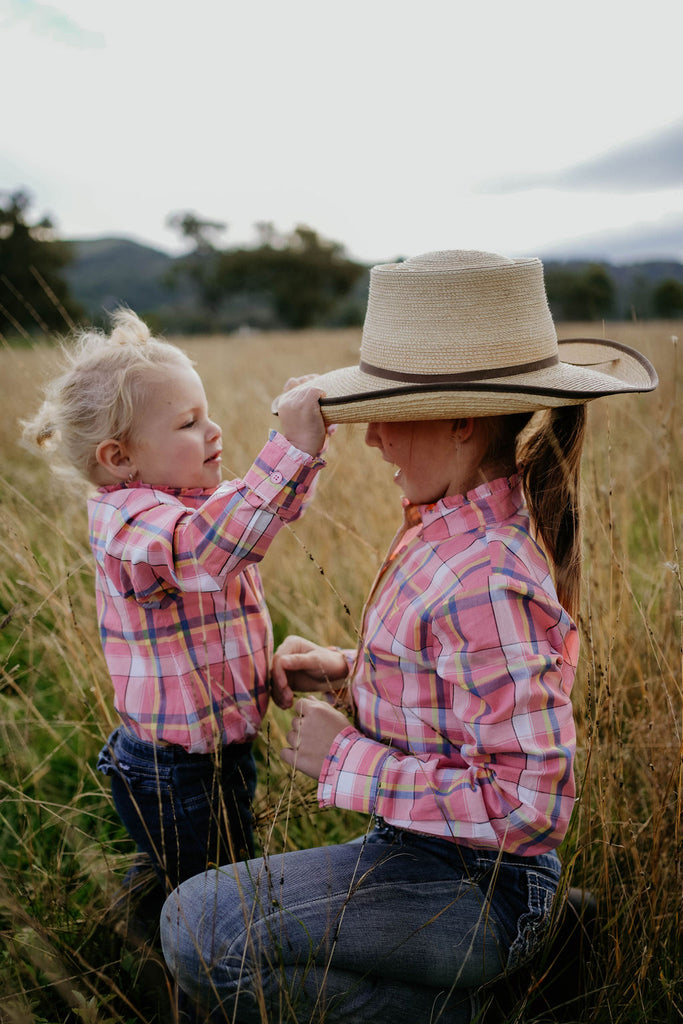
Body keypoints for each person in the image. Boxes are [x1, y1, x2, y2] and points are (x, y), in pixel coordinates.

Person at [160, 250, 657, 1023]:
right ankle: (539, 950)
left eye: (383, 414)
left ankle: (479, 996)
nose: (369, 441)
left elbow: (531, 805)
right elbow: (459, 680)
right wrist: (349, 670)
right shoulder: (449, 530)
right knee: (204, 923)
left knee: (200, 930)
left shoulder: (488, 574)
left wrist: (346, 758)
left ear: (460, 419)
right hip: (429, 858)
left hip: (479, 885)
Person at [22, 307, 328, 907]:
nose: (213, 431)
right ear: (118, 458)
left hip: (213, 757)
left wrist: (306, 452)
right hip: (174, 774)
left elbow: (255, 517)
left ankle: (142, 930)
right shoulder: (128, 518)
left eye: (207, 414)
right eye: (190, 423)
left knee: (190, 880)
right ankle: (203, 994)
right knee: (217, 902)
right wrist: (291, 450)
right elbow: (209, 547)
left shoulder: (190, 501)